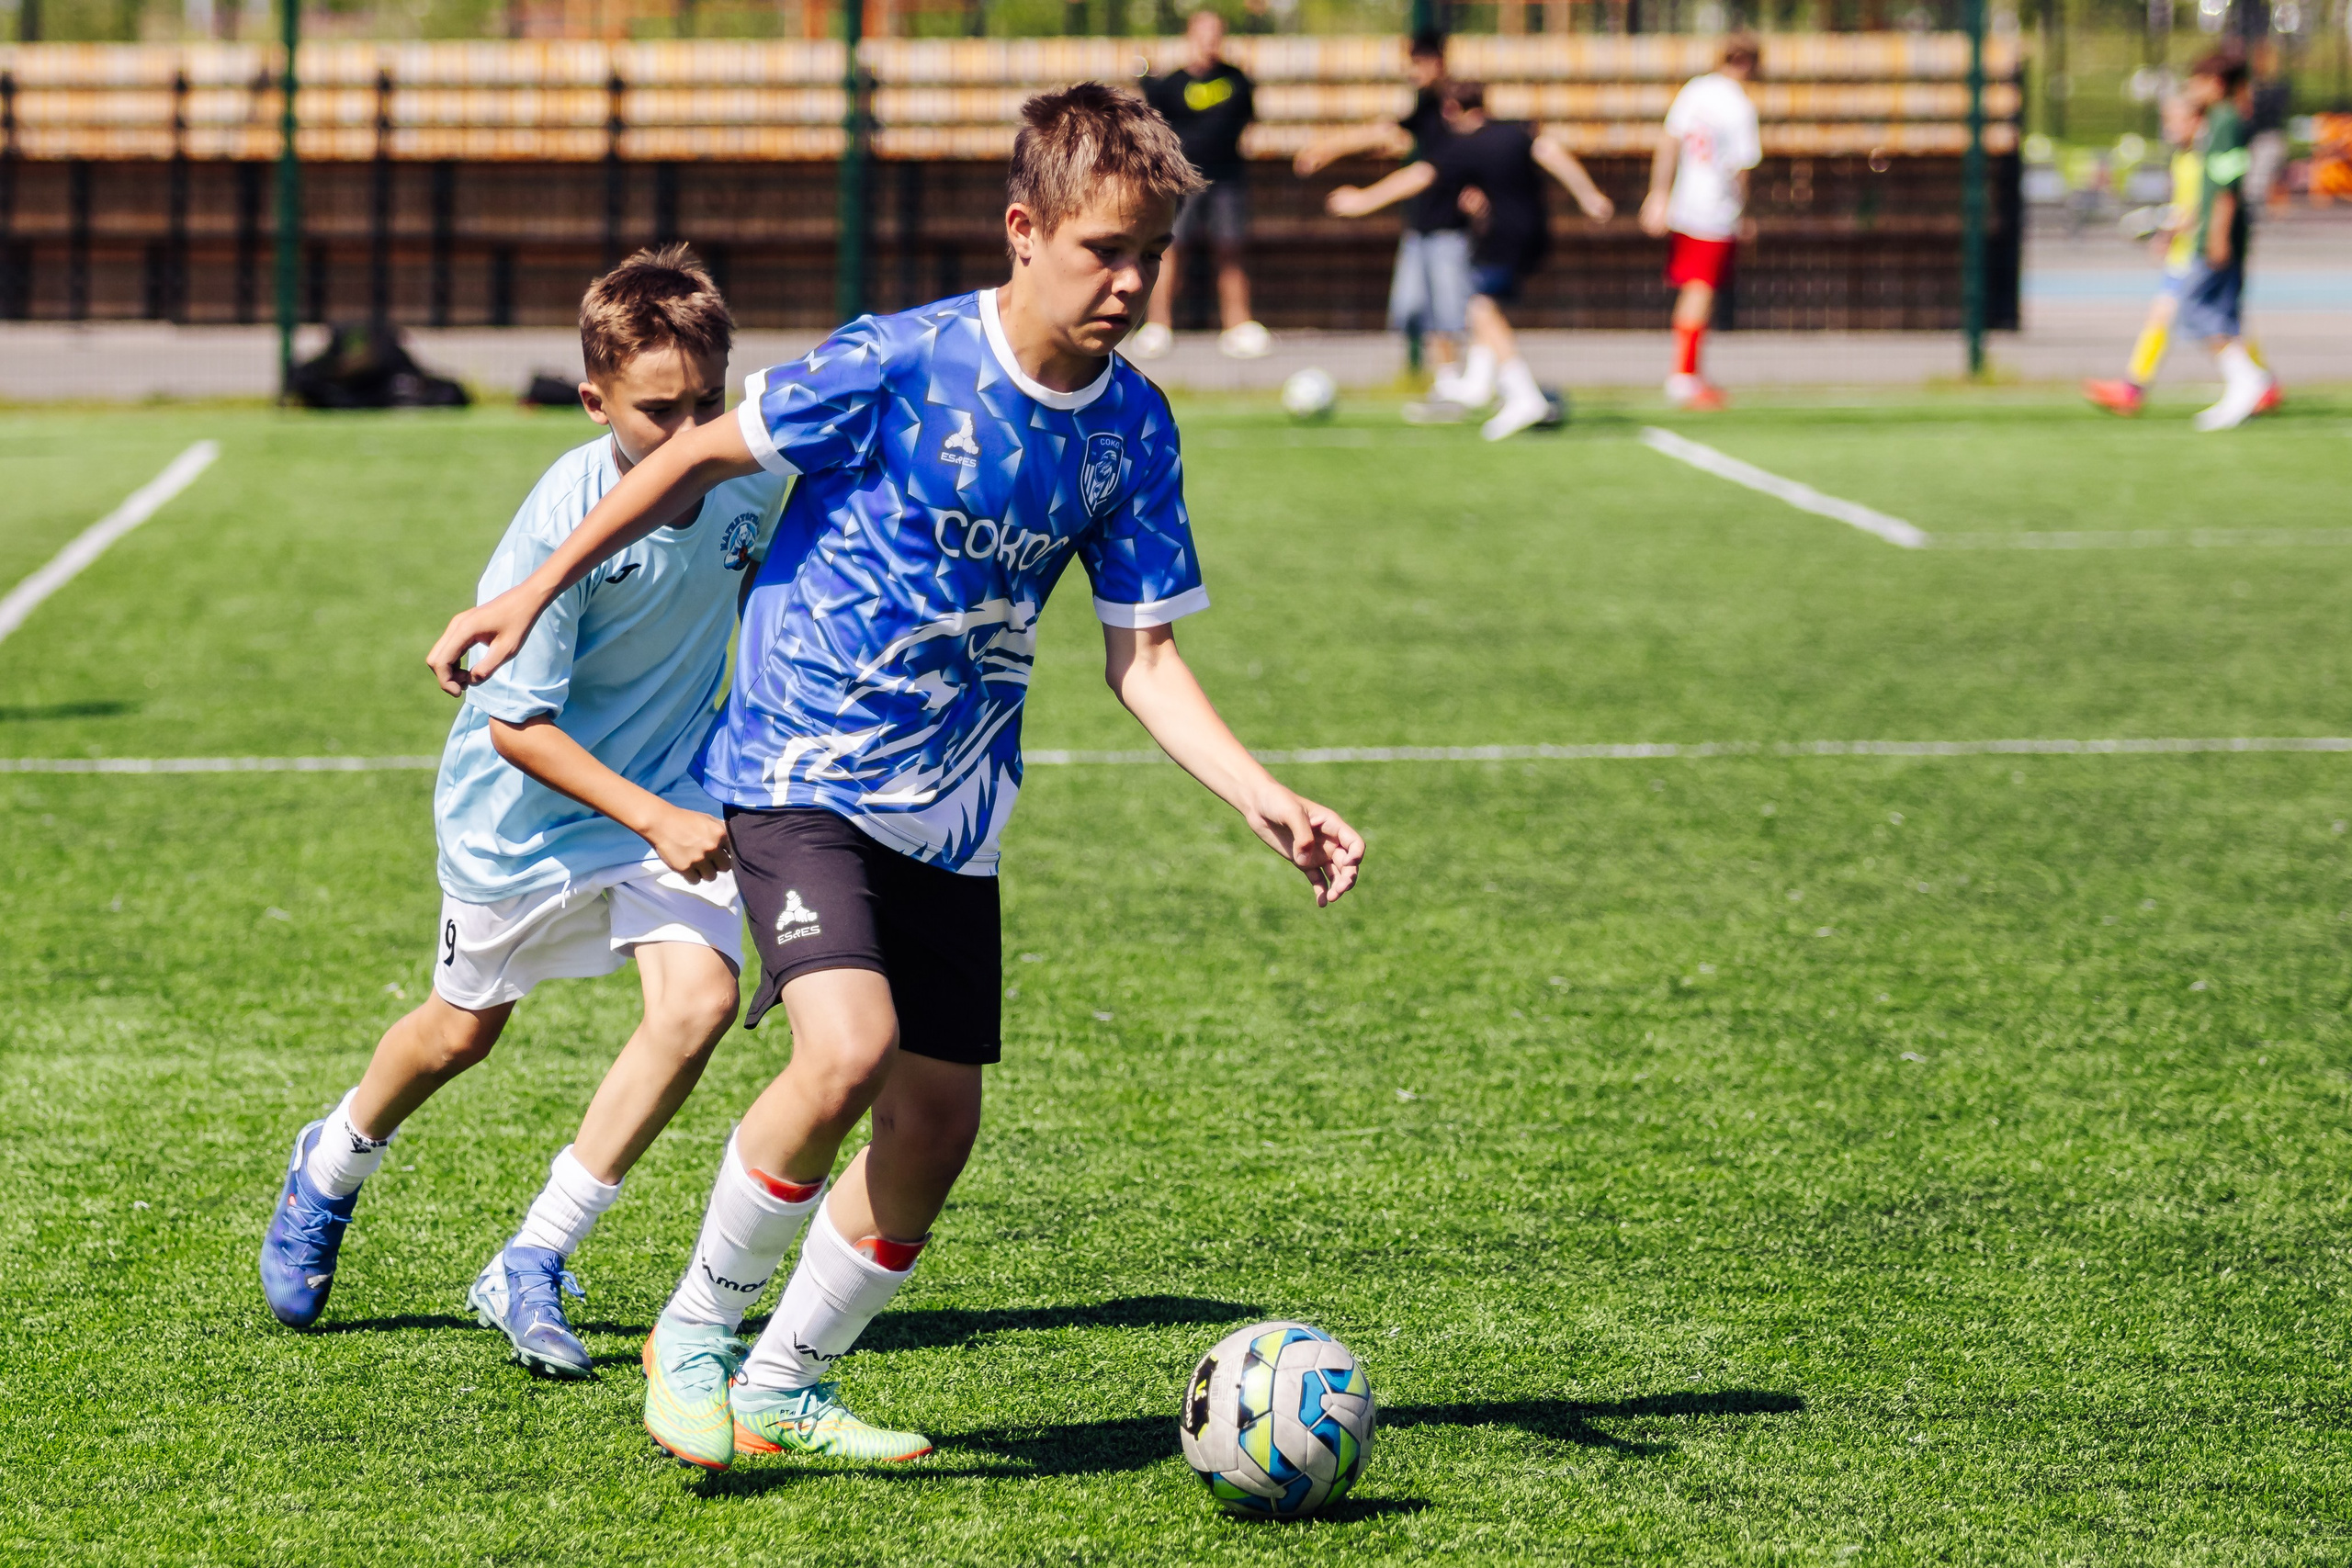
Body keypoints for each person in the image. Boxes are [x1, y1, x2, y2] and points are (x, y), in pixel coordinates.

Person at [424, 84, 1365, 1471]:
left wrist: (1260, 790)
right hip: (798, 770)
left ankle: (786, 1382)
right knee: (848, 1049)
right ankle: (692, 1332)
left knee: (935, 1123)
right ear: (1022, 228)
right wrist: (526, 591)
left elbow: (1143, 656)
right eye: (1105, 247)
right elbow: (693, 453)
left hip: (957, 806)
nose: (1129, 282)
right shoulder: (900, 361)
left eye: (1151, 255)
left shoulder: (1135, 431)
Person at [258, 246, 788, 1378]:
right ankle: (333, 1164)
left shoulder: (748, 474)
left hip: (670, 788)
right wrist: (655, 818)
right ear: (594, 401)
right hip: (527, 812)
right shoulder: (568, 514)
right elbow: (514, 725)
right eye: (659, 413)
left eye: (708, 404)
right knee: (461, 1032)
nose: (691, 434)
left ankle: (534, 1256)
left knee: (697, 1003)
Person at [1326, 80, 1614, 441]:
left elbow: (1420, 175)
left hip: (1503, 236)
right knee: (1486, 305)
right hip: (1536, 233)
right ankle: (1479, 384)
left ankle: (1523, 394)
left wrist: (1364, 200)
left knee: (1479, 309)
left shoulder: (1462, 147)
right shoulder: (1513, 133)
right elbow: (1551, 151)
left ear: (1450, 110)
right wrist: (1588, 195)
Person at [1293, 30, 1476, 404]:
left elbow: (1426, 171)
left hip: (1448, 227)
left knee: (1449, 313)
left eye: (1417, 63)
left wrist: (1365, 200)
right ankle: (1451, 379)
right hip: (1420, 226)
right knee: (1410, 309)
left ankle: (1455, 383)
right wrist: (1327, 149)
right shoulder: (1426, 107)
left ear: (1436, 62)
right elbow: (1386, 131)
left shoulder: (1452, 108)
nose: (1411, 71)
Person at [1136, 7, 1271, 360]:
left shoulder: (1237, 80)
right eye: (1203, 34)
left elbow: (1246, 124)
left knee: (1230, 248)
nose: (1210, 41)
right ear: (1190, 36)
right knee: (1170, 248)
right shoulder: (1170, 85)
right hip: (1182, 180)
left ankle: (1238, 326)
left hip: (1227, 178)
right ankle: (1158, 325)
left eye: (1216, 34)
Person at [1638, 35, 1760, 412]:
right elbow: (1740, 169)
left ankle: (1687, 373)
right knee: (1701, 288)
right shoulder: (1739, 106)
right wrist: (1744, 212)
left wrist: (1659, 193)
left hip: (1686, 204)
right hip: (1715, 209)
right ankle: (1685, 376)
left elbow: (1669, 142)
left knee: (1694, 287)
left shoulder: (1696, 90)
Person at [2083, 93, 2211, 417]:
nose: (2168, 127)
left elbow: (2202, 208)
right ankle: (2133, 387)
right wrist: (2164, 233)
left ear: (2196, 120)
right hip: (2184, 254)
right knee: (2200, 320)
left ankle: (2133, 388)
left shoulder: (2203, 158)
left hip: (2200, 253)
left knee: (2204, 322)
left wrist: (2164, 228)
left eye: (2175, 120)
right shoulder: (2183, 157)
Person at [2175, 47, 2279, 432]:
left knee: (2194, 308)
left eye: (2197, 80)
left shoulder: (2225, 121)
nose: (2191, 87)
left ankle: (2250, 380)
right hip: (2218, 231)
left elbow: (2226, 187)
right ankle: (2244, 388)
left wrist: (2216, 234)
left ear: (2216, 84)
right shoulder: (2223, 120)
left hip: (2221, 236)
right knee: (2225, 316)